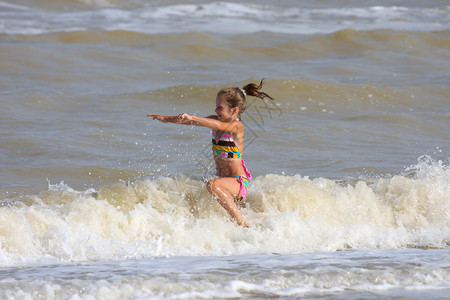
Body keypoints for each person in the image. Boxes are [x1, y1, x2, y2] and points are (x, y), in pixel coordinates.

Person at [147, 79, 274, 227]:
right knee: (193, 188)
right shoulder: (215, 120)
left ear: (234, 110)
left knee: (212, 185)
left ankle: (241, 221)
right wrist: (165, 119)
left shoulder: (237, 126)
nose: (216, 111)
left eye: (220, 107)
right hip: (223, 181)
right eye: (216, 106)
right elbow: (192, 122)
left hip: (237, 182)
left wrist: (193, 117)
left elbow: (217, 125)